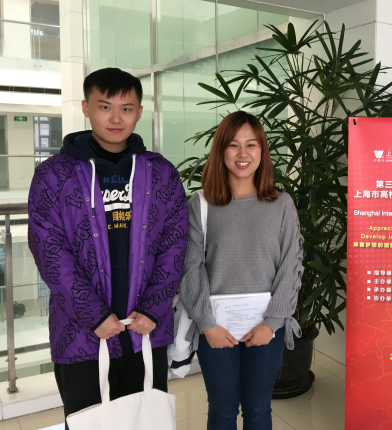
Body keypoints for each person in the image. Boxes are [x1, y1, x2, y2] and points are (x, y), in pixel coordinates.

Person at [28, 68, 188, 427]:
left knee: (146, 420)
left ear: (139, 112)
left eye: (126, 108)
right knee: (90, 421)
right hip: (81, 334)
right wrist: (94, 315)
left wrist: (153, 309)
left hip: (144, 329)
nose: (116, 118)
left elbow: (175, 244)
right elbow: (49, 250)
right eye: (105, 107)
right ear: (86, 108)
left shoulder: (161, 172)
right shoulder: (54, 175)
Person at [180, 110, 304, 430]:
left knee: (258, 409)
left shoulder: (281, 204)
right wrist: (207, 323)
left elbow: (291, 264)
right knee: (222, 411)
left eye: (251, 145)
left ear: (262, 151)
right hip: (215, 327)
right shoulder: (201, 204)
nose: (243, 154)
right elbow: (191, 267)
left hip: (266, 327)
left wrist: (272, 323)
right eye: (233, 145)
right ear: (221, 150)